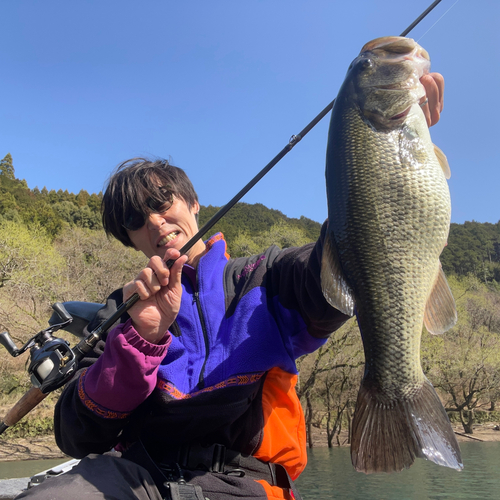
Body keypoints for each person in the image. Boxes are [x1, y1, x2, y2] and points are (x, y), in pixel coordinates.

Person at [17, 74, 445, 500]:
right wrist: (140, 340)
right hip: (138, 476)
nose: (153, 221)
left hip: (247, 484)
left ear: (193, 202)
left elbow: (333, 281)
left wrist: (386, 162)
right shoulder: (121, 313)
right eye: (133, 219)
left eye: (161, 200)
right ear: (130, 239)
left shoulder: (266, 274)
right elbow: (77, 436)